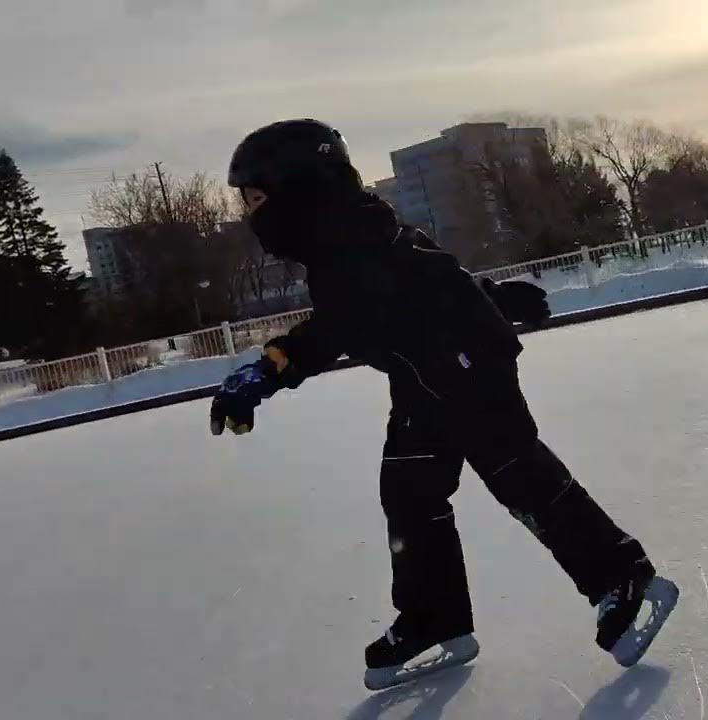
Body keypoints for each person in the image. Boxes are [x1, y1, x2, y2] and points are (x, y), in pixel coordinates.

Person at [209, 119, 678, 690]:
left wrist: (270, 367)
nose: (251, 215)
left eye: (256, 200)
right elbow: (425, 276)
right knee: (409, 489)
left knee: (515, 470)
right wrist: (492, 295)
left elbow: (343, 323)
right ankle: (435, 618)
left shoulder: (350, 242)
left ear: (298, 188)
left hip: (464, 364)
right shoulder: (346, 237)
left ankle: (622, 578)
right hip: (424, 373)